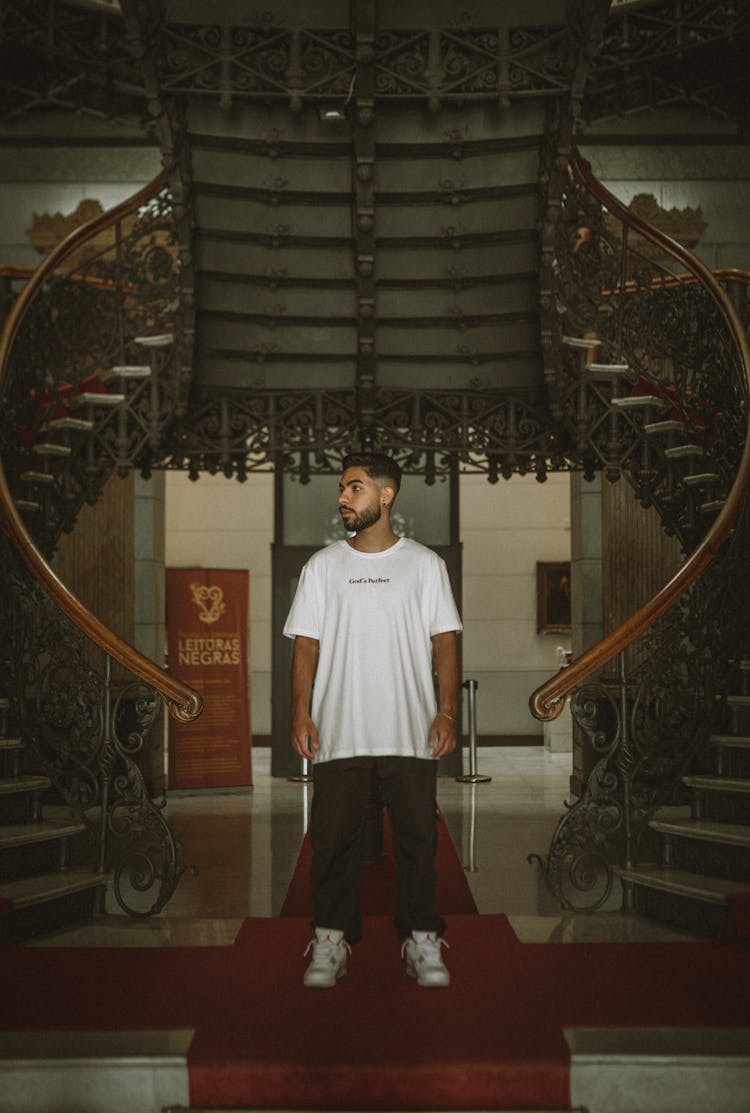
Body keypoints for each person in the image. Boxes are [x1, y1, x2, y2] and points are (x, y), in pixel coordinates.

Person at [283, 451, 462, 989]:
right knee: (332, 842)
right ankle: (332, 940)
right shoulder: (322, 567)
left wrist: (448, 710)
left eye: (354, 488)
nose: (342, 497)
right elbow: (306, 646)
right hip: (339, 734)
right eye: (342, 488)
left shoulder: (426, 565)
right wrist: (300, 711)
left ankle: (421, 940)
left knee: (417, 844)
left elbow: (445, 641)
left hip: (409, 732)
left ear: (386, 496)